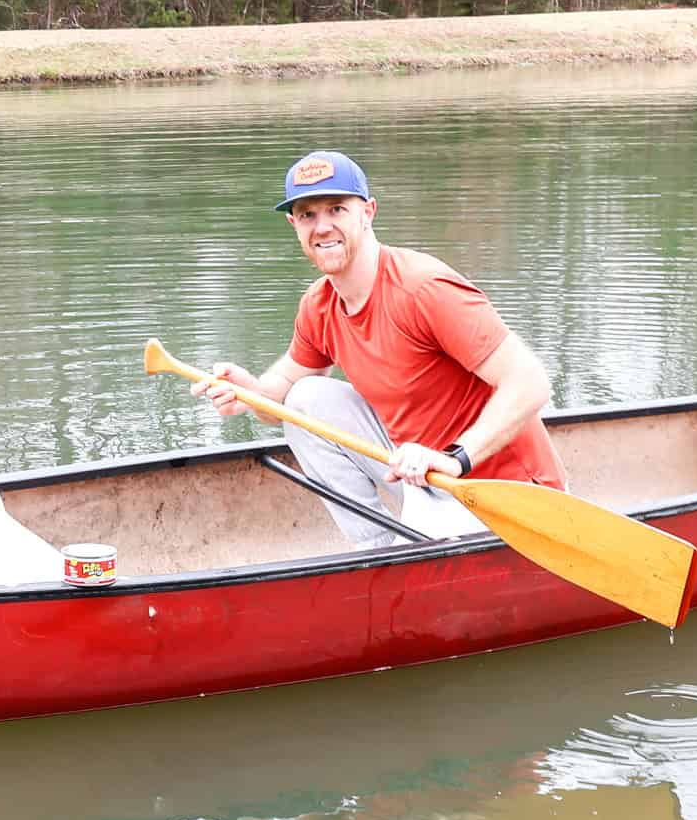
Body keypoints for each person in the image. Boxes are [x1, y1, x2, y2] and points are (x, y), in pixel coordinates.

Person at [192, 149, 567, 547]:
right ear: (294, 225)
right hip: (422, 474)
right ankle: (378, 552)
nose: (322, 227)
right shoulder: (319, 305)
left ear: (368, 212)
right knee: (303, 398)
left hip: (503, 490)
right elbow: (282, 394)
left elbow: (531, 382)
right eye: (308, 215)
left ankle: (412, 553)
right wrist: (249, 393)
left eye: (337, 209)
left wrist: (456, 457)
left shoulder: (424, 289)